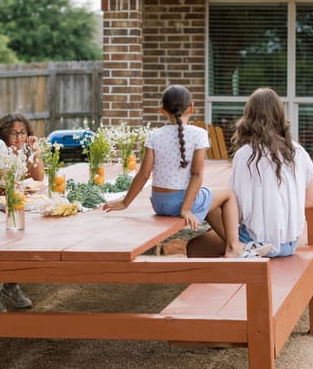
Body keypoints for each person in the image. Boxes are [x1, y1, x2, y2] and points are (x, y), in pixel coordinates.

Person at [102, 85, 242, 258]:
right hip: (179, 205)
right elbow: (197, 175)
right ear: (191, 107)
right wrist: (185, 209)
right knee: (228, 195)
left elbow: (143, 174)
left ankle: (232, 244)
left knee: (209, 201)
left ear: (162, 110)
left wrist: (125, 202)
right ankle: (234, 246)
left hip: (159, 204)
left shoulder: (154, 135)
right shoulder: (199, 134)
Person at [229, 88, 313, 259]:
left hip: (255, 242)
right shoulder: (297, 151)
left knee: (198, 244)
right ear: (279, 115)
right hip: (289, 245)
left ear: (249, 116)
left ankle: (239, 254)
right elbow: (312, 199)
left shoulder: (245, 155)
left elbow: (237, 208)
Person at [0, 113, 43, 312]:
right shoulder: (1, 151)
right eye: (14, 133)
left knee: (24, 238)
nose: (19, 138)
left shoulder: (23, 152)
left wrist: (34, 150)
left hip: (14, 203)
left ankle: (11, 285)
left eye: (23, 133)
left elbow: (39, 177)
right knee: (4, 245)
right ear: (4, 135)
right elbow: (2, 182)